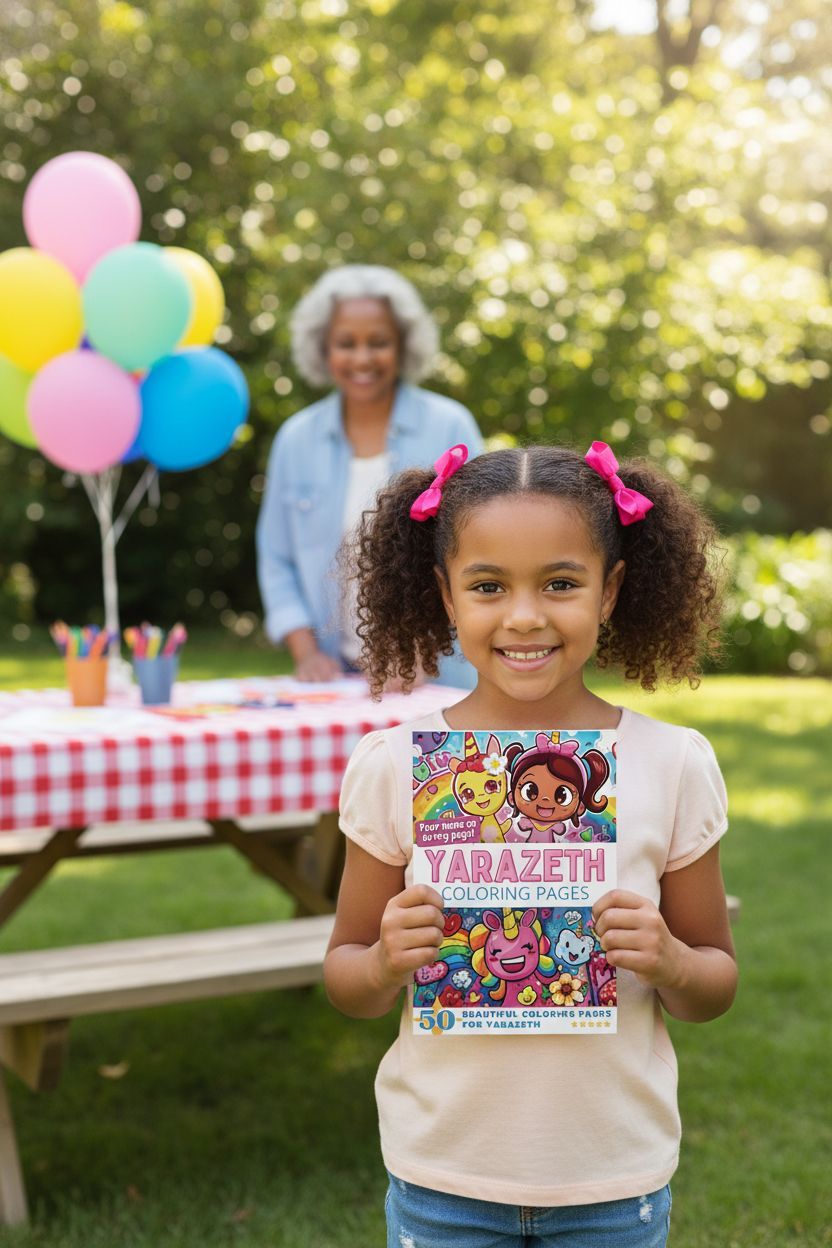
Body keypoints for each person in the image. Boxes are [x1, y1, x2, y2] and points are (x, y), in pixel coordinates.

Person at [323, 441, 738, 1247]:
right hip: (443, 1176)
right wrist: (381, 963)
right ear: (445, 595)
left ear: (610, 591)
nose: (523, 616)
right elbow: (346, 977)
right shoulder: (393, 765)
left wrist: (670, 961)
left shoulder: (672, 763)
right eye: (488, 586)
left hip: (613, 1178)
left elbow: (714, 985)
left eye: (560, 583)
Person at [256, 264, 484, 684]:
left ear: (402, 346)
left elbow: (479, 551)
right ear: (324, 348)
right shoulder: (296, 439)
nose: (362, 358)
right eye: (346, 343)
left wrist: (421, 653)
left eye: (378, 342)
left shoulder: (450, 427)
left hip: (438, 676)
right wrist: (306, 653)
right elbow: (276, 558)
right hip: (333, 681)